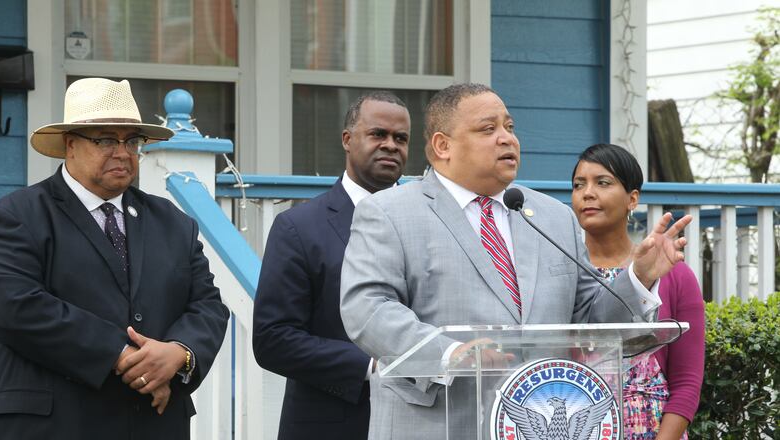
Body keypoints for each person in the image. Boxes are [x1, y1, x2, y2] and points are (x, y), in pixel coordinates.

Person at [339, 83, 693, 440]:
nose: (507, 139)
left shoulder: (552, 217)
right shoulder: (389, 212)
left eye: (510, 127)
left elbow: (589, 319)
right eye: (488, 129)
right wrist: (449, 353)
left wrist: (638, 278)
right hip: (437, 424)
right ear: (443, 146)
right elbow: (368, 308)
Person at [0, 78, 230, 439]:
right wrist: (121, 355)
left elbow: (208, 305)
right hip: (56, 425)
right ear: (70, 145)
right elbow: (16, 306)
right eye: (104, 139)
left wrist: (179, 354)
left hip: (154, 422)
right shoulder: (18, 215)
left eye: (131, 140)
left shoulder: (173, 222)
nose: (122, 152)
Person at [252, 91, 411, 439]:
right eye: (378, 134)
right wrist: (371, 366)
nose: (390, 145)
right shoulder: (298, 227)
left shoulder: (428, 221)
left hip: (422, 421)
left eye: (400, 138)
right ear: (347, 139)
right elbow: (273, 340)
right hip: (333, 423)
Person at [571, 143, 704, 440]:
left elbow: (687, 381)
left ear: (632, 198)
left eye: (602, 182)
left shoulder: (676, 275)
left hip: (654, 430)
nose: (587, 193)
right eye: (579, 185)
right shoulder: (563, 273)